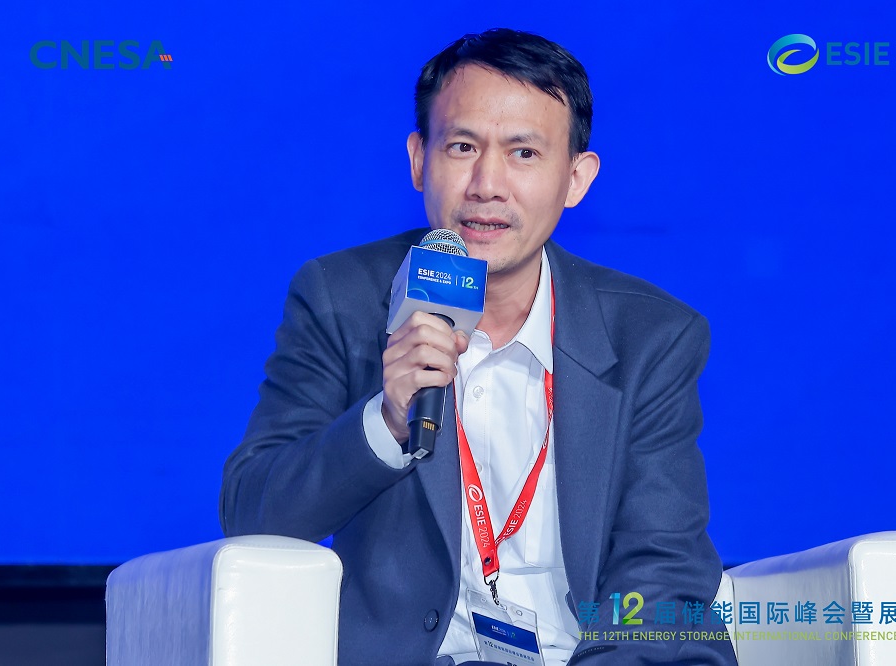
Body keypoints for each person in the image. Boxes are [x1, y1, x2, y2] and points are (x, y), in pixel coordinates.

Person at [220, 28, 737, 666]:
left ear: (576, 178)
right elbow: (254, 513)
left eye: (524, 153)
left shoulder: (651, 337)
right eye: (462, 146)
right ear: (419, 159)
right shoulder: (341, 298)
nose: (487, 184)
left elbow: (662, 566)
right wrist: (386, 420)